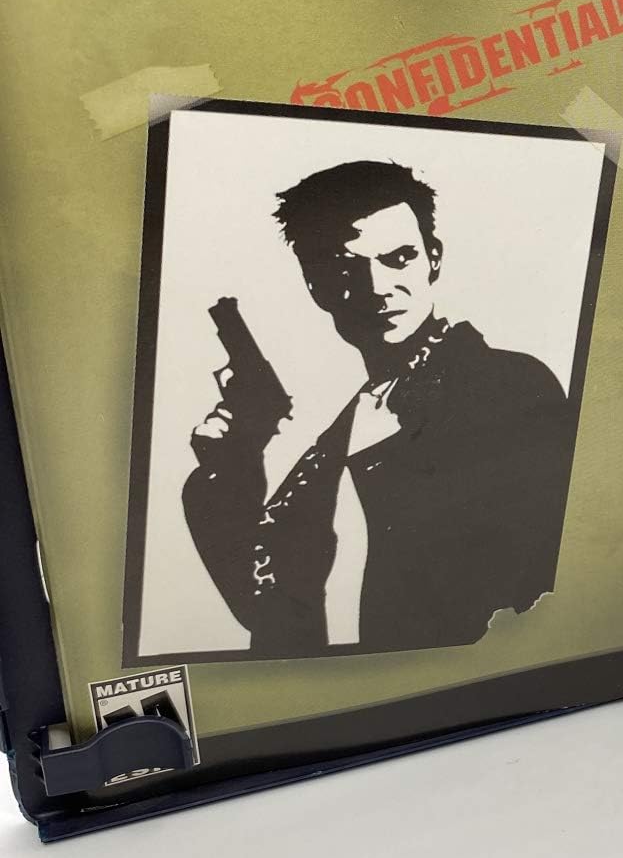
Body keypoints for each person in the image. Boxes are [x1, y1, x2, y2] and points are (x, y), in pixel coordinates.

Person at [182, 158, 574, 656]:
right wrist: (232, 466)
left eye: (399, 258)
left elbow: (525, 593)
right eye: (345, 267)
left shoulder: (507, 386)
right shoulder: (355, 420)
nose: (376, 287)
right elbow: (273, 609)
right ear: (314, 284)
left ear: (433, 259)